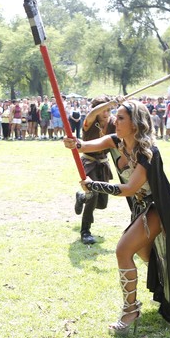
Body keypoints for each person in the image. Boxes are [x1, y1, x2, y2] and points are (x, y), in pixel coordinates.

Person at [64, 100, 170, 334]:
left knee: (123, 250)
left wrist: (94, 185)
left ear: (135, 123)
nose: (114, 122)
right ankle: (161, 287)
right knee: (148, 255)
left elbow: (129, 188)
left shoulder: (148, 152)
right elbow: (87, 145)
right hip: (141, 208)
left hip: (160, 208)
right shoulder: (116, 142)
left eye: (120, 118)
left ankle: (130, 311)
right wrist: (75, 144)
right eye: (115, 117)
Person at [73, 95, 116, 244]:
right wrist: (109, 103)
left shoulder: (113, 123)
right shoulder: (90, 122)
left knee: (102, 203)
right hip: (89, 161)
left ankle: (81, 197)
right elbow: (91, 114)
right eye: (104, 110)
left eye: (109, 109)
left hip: (103, 163)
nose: (107, 113)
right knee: (93, 193)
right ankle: (85, 231)